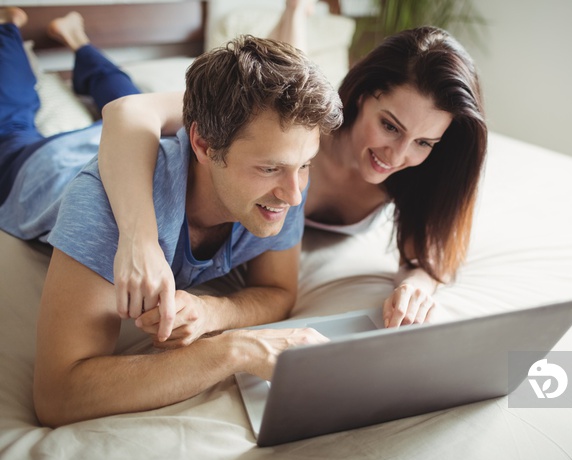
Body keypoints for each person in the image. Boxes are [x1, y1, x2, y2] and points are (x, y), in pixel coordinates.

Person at [0, 7, 343, 427]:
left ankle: (80, 43)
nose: (294, 193)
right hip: (47, 163)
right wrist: (234, 349)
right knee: (15, 121)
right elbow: (59, 396)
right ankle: (9, 30)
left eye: (305, 164)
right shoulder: (103, 206)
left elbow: (278, 290)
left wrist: (215, 313)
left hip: (134, 142)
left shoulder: (282, 186)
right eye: (269, 167)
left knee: (120, 88)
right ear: (202, 142)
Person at [98, 2, 488, 338]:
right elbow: (128, 112)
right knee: (116, 93)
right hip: (122, 138)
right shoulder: (307, 125)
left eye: (424, 143)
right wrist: (140, 240)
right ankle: (86, 49)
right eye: (389, 126)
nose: (398, 154)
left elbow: (427, 258)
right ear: (364, 95)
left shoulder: (418, 174)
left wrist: (418, 285)